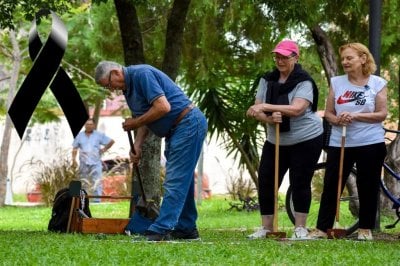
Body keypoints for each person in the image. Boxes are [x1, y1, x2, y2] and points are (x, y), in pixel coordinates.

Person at [94, 61, 207, 241]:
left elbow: (163, 107)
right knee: (182, 179)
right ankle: (186, 229)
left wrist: (135, 123)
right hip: (176, 129)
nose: (110, 89)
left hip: (187, 123)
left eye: (108, 84)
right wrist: (137, 146)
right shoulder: (129, 90)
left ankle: (161, 229)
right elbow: (144, 118)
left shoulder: (141, 74)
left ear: (115, 72)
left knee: (175, 179)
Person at [308, 43, 387, 241]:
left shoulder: (378, 83)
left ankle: (365, 229)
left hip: (370, 141)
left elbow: (382, 114)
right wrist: (337, 120)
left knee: (367, 185)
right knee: (332, 184)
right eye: (343, 58)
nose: (344, 62)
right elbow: (328, 113)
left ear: (363, 58)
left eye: (349, 58)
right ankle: (322, 228)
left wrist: (356, 116)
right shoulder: (337, 82)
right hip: (340, 141)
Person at [246, 40, 323, 239]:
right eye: (277, 56)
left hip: (306, 138)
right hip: (276, 139)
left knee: (300, 181)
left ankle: (300, 227)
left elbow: (297, 109)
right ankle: (267, 228)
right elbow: (256, 109)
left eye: (285, 57)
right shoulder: (268, 79)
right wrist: (269, 117)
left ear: (295, 58)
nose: (280, 60)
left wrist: (267, 108)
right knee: (266, 180)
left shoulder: (303, 80)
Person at [72, 118, 115, 201]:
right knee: (83, 182)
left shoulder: (99, 135)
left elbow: (111, 141)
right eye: (87, 124)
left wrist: (104, 149)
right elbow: (74, 148)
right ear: (85, 125)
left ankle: (97, 201)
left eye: (91, 124)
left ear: (94, 125)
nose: (89, 126)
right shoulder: (79, 135)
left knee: (97, 182)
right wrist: (73, 160)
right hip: (83, 163)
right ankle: (83, 200)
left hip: (96, 163)